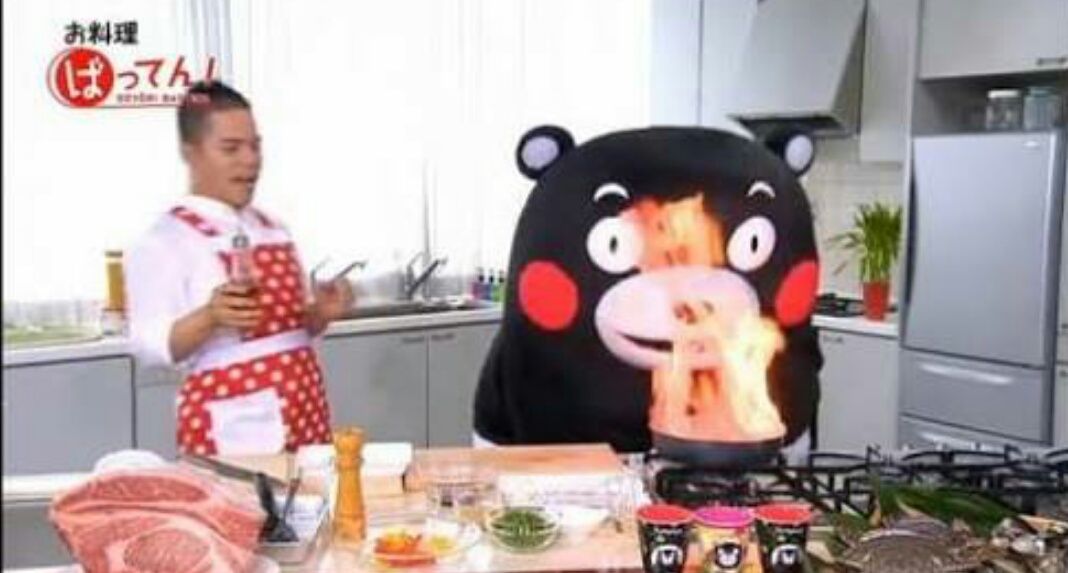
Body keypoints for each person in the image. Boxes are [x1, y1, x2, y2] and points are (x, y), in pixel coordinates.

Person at [125, 81, 353, 456]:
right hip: (234, 425)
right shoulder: (166, 239)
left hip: (305, 407)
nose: (250, 160)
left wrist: (320, 315)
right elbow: (149, 346)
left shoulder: (273, 227)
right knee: (242, 498)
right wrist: (210, 317)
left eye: (255, 146)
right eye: (231, 148)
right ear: (190, 153)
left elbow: (289, 331)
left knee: (312, 494)